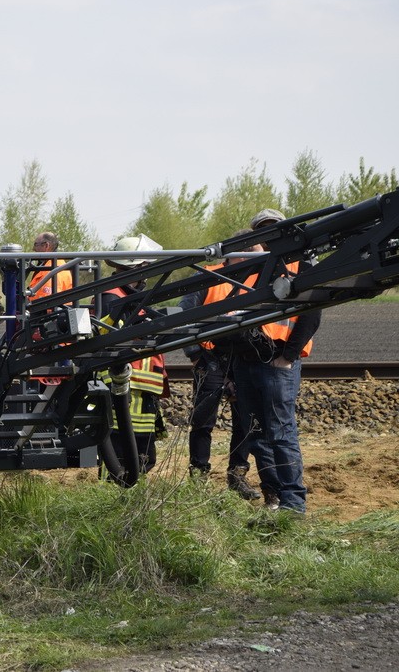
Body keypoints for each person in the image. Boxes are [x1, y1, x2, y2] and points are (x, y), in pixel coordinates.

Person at [231, 208, 320, 514]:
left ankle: (293, 503)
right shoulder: (253, 267)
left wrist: (289, 356)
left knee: (281, 432)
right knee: (256, 433)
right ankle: (274, 496)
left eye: (273, 229)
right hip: (247, 361)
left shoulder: (300, 265)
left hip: (278, 362)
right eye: (262, 231)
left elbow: (311, 314)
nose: (269, 236)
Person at [179, 235, 264, 500]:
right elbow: (184, 317)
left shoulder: (256, 280)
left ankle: (237, 476)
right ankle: (199, 476)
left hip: (242, 359)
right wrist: (196, 357)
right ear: (239, 255)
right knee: (204, 420)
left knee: (245, 420)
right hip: (209, 359)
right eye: (254, 256)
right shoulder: (207, 278)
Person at [97, 235, 168, 476]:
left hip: (140, 387)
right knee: (121, 451)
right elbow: (107, 334)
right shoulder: (112, 296)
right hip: (124, 384)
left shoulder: (128, 295)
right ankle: (116, 492)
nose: (147, 274)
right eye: (145, 267)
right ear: (136, 267)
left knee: (143, 456)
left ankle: (131, 493)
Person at [28, 231, 74, 301]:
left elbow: (47, 302)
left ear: (46, 246)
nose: (34, 249)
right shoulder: (57, 263)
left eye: (36, 245)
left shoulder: (51, 268)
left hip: (47, 310)